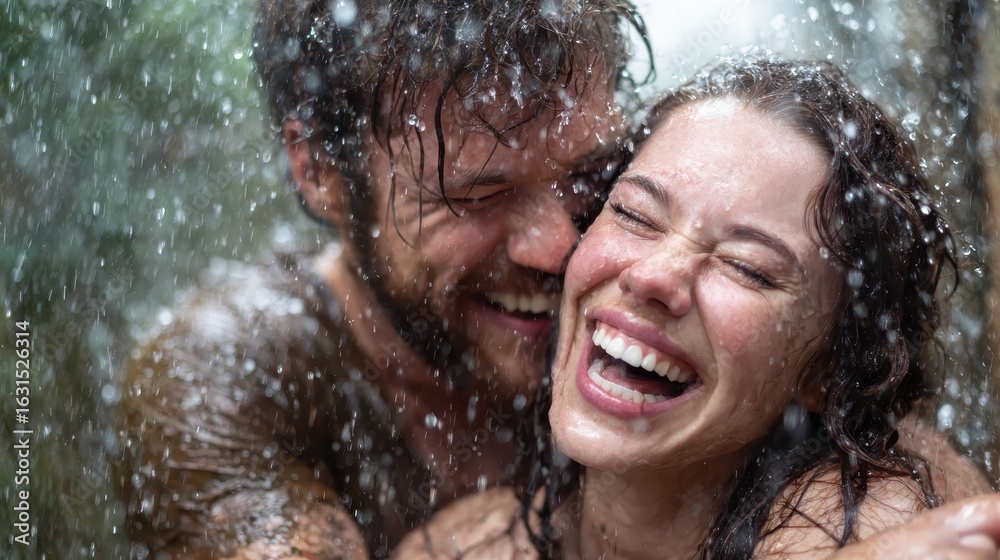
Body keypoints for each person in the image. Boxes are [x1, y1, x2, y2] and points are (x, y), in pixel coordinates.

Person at [390, 58, 1000, 559]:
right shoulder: (458, 547)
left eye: (748, 267)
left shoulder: (867, 526)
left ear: (824, 371)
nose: (654, 276)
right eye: (632, 215)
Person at [115, 1, 648, 558]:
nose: (560, 248)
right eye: (478, 195)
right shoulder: (224, 375)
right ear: (318, 169)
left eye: (591, 176)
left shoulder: (646, 313)